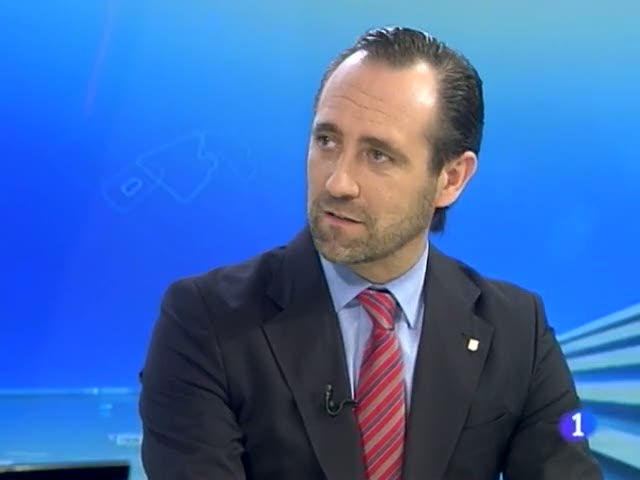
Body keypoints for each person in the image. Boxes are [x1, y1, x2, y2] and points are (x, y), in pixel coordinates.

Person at [138, 26, 603, 480]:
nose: (338, 182)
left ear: (451, 178)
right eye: (327, 141)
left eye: (378, 155)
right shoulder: (205, 322)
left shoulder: (518, 330)